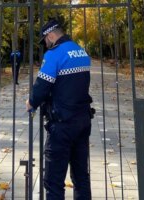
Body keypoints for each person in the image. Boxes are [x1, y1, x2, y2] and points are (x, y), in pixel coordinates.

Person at [25, 19, 93, 200]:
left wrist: (31, 103)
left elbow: (41, 87)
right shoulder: (81, 51)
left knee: (53, 181)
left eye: (45, 40)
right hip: (83, 121)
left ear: (51, 35)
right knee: (81, 177)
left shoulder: (54, 55)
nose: (45, 44)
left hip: (62, 124)